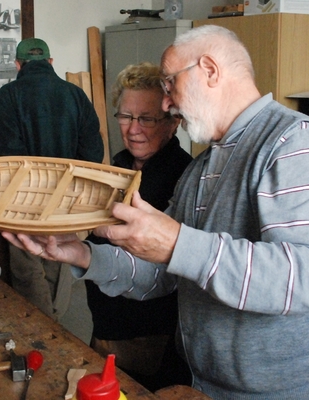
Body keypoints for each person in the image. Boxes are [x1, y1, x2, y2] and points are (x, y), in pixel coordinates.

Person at [3, 25, 309, 399]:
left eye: (170, 85)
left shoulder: (296, 143)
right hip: (205, 384)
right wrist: (82, 255)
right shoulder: (202, 170)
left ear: (209, 69)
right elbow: (162, 274)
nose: (167, 103)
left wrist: (177, 244)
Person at [85, 62, 192, 392]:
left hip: (147, 332)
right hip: (106, 318)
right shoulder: (119, 165)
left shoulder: (182, 177)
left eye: (146, 118)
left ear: (172, 123)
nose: (133, 129)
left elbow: (167, 271)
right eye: (125, 116)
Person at [0, 37, 104, 320]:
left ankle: (40, 332)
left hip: (24, 201)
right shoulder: (75, 94)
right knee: (58, 259)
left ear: (18, 64)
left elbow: (9, 156)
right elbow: (94, 152)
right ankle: (58, 329)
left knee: (28, 267)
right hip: (67, 199)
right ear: (50, 62)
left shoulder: (8, 94)